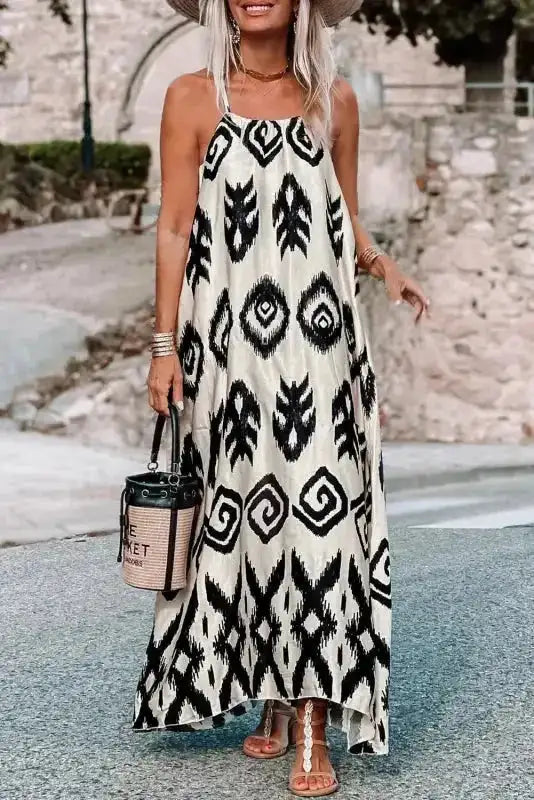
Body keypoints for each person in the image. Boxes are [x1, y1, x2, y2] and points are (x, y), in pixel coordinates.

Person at [136, 0, 429, 796]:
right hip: (228, 349)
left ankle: (311, 717)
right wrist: (164, 349)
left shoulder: (333, 100)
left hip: (321, 345)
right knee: (249, 508)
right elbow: (173, 229)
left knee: (319, 513)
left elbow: (344, 212)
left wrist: (381, 265)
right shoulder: (194, 97)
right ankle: (268, 693)